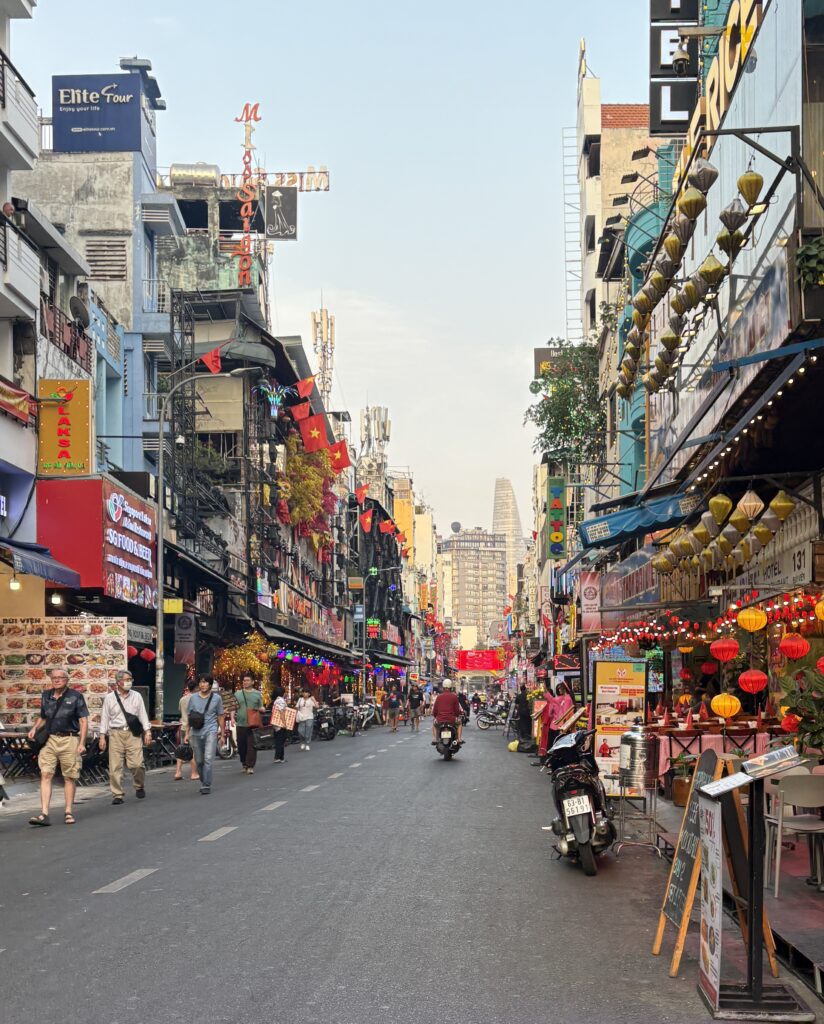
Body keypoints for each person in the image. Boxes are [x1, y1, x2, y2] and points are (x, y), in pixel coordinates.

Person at [27, 668, 88, 826]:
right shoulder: (46, 695)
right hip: (50, 739)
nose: (57, 680)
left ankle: (68, 812)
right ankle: (44, 813)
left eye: (60, 677)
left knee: (69, 777)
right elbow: (43, 716)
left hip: (70, 739)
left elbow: (83, 721)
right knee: (46, 774)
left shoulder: (76, 696)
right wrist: (34, 728)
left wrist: (81, 743)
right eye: (54, 678)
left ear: (66, 680)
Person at [98, 670, 152, 805]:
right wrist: (102, 736)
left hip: (133, 734)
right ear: (118, 682)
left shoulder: (137, 696)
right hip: (115, 734)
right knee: (115, 766)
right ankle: (117, 794)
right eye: (126, 680)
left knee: (137, 764)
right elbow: (104, 718)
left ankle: (139, 785)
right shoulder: (109, 698)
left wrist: (148, 731)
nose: (129, 682)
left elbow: (142, 714)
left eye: (130, 679)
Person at [183, 675, 224, 795]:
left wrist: (222, 733)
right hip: (195, 732)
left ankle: (206, 784)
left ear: (210, 685)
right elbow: (189, 716)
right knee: (199, 760)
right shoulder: (193, 698)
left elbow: (220, 715)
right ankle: (204, 779)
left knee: (208, 758)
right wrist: (186, 733)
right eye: (201, 682)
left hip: (211, 730)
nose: (202, 684)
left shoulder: (217, 699)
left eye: (205, 682)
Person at [234, 673, 263, 774]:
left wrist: (261, 709)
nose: (245, 682)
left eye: (247, 680)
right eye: (244, 681)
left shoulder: (257, 694)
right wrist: (233, 718)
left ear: (252, 682)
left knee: (252, 745)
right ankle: (244, 763)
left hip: (253, 724)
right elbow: (234, 707)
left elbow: (261, 706)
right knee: (241, 746)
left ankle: (250, 766)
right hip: (240, 723)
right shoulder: (237, 693)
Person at [174, 680, 200, 782]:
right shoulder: (197, 699)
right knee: (193, 751)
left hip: (183, 727)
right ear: (197, 688)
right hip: (193, 728)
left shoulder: (182, 699)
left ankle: (178, 772)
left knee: (182, 750)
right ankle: (194, 773)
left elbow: (181, 712)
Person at [432, 679, 463, 744]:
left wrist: (435, 716)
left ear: (443, 687)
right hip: (452, 719)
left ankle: (435, 739)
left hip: (440, 719)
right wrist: (457, 715)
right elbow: (457, 710)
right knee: (460, 723)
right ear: (451, 687)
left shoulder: (439, 697)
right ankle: (459, 739)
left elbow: (435, 710)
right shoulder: (454, 696)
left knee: (434, 724)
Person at [271, 686, 288, 764]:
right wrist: (284, 723)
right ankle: (278, 757)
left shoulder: (276, 700)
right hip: (280, 723)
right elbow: (281, 712)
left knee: (279, 740)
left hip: (276, 722)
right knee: (280, 740)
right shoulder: (281, 700)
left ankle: (280, 757)